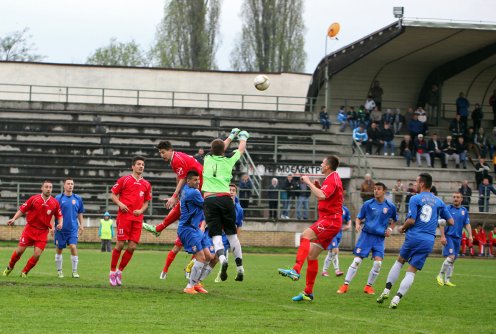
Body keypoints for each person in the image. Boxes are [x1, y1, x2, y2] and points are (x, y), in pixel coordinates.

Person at [376, 173, 454, 309]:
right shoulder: (439, 202)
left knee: (400, 261)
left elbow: (411, 220)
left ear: (422, 184)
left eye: (417, 182)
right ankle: (396, 299)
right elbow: (451, 222)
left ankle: (386, 291)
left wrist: (402, 228)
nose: (415, 184)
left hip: (414, 236)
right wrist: (437, 221)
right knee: (411, 271)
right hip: (428, 240)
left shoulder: (415, 198)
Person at [278, 155, 343, 302]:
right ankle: (308, 292)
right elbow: (325, 195)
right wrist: (318, 186)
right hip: (330, 220)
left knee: (305, 235)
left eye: (323, 162)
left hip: (330, 220)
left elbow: (321, 196)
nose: (321, 164)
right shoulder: (332, 178)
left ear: (327, 166)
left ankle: (295, 270)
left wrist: (308, 183)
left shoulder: (332, 178)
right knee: (312, 256)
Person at [202, 129, 249, 281]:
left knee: (216, 235)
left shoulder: (207, 158)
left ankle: (222, 260)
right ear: (224, 150)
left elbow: (221, 147)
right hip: (226, 199)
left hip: (210, 199)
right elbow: (241, 149)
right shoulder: (229, 160)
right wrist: (242, 137)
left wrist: (230, 136)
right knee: (232, 235)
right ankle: (240, 268)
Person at [337, 182, 398, 295]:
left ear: (384, 191)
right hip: (366, 236)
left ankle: (368, 287)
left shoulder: (390, 206)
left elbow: (395, 220)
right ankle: (345, 285)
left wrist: (390, 229)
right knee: (357, 261)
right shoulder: (368, 204)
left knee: (378, 264)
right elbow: (359, 217)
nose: (376, 191)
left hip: (379, 238)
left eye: (379, 189)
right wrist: (358, 224)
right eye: (375, 189)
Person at [143, 140, 204, 237]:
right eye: (160, 153)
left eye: (163, 152)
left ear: (170, 150)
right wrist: (178, 195)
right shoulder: (174, 158)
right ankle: (159, 228)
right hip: (195, 181)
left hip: (199, 182)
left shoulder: (176, 160)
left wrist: (174, 196)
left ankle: (200, 231)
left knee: (193, 207)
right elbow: (179, 176)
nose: (162, 155)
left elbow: (183, 178)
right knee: (185, 205)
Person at [2, 180, 63, 278]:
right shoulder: (34, 199)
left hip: (43, 231)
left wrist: (60, 223)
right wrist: (14, 218)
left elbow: (59, 215)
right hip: (30, 229)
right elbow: (22, 209)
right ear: (42, 188)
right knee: (19, 251)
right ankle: (9, 267)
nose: (48, 189)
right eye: (46, 187)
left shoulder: (54, 203)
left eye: (50, 187)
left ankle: (24, 272)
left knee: (37, 254)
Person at [109, 156, 152, 286]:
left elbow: (146, 202)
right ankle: (111, 272)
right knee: (120, 244)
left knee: (132, 247)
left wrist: (141, 210)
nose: (141, 166)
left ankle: (119, 271)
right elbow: (113, 195)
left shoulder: (146, 184)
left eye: (143, 164)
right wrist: (120, 204)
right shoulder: (124, 180)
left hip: (137, 219)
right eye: (138, 164)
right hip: (124, 217)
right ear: (133, 166)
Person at [177, 170, 215, 294]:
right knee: (201, 257)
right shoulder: (193, 192)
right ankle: (189, 286)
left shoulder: (187, 189)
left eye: (198, 179)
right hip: (188, 229)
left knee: (209, 256)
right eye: (195, 180)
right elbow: (207, 206)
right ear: (188, 181)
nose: (198, 182)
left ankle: (196, 283)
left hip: (195, 228)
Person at [437, 192, 472, 286]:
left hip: (458, 237)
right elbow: (441, 222)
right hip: (449, 236)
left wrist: (470, 235)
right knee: (451, 256)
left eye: (457, 197)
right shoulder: (447, 209)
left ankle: (447, 280)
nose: (455, 199)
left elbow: (467, 223)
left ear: (461, 199)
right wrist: (443, 236)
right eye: (454, 197)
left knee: (453, 260)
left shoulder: (464, 210)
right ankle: (440, 275)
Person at [54, 178, 85, 278]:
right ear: (64, 186)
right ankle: (59, 271)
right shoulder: (58, 198)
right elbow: (53, 214)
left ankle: (74, 271)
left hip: (72, 229)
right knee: (59, 249)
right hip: (60, 229)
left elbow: (80, 213)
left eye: (72, 184)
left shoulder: (77, 198)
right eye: (68, 184)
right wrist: (51, 226)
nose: (70, 185)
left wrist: (81, 225)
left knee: (73, 246)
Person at [214, 183, 244, 283]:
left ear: (236, 193)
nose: (231, 192)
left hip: (229, 234)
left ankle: (220, 276)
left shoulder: (239, 209)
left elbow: (239, 225)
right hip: (218, 232)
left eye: (233, 190)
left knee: (219, 255)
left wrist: (237, 238)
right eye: (229, 190)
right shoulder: (220, 204)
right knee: (213, 255)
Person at [321, 201, 351, 277]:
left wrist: (348, 226)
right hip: (331, 232)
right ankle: (337, 270)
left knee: (331, 252)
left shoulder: (345, 209)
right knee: (335, 250)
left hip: (339, 233)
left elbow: (348, 219)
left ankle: (324, 271)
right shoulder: (331, 207)